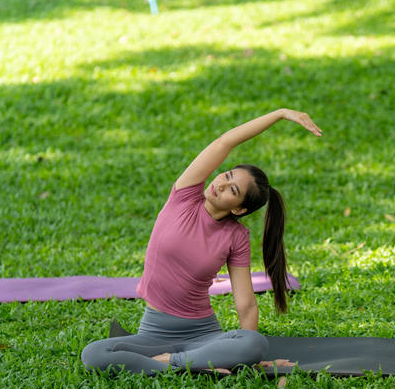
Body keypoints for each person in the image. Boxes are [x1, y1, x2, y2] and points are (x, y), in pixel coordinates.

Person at [81, 109, 322, 375]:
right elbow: (224, 142)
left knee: (254, 342)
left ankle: (171, 363)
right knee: (93, 354)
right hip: (153, 332)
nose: (220, 183)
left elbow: (246, 303)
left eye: (233, 190)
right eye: (227, 175)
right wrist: (280, 114)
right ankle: (190, 365)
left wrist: (251, 358)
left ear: (239, 209)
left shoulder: (236, 236)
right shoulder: (184, 197)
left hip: (203, 334)